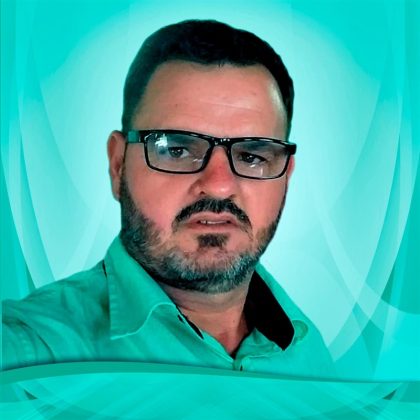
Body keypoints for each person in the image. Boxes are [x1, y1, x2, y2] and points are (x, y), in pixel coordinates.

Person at [2, 19, 334, 376]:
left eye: (252, 156)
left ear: (286, 175)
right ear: (118, 165)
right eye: (176, 150)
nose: (219, 186)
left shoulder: (309, 353)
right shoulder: (31, 352)